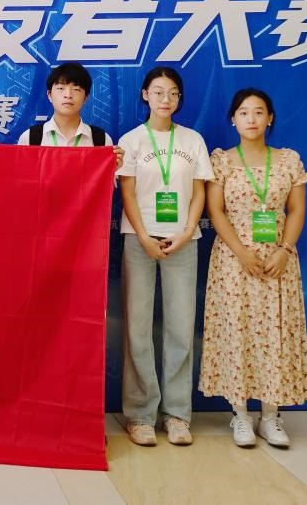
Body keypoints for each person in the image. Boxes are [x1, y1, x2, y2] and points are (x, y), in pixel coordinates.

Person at [199, 88, 307, 449]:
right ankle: (241, 415)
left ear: (270, 118)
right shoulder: (222, 161)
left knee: (275, 332)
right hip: (234, 261)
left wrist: (284, 250)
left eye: (259, 112)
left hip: (278, 259)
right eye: (244, 112)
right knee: (237, 332)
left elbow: (296, 210)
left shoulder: (288, 160)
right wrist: (241, 252)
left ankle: (271, 416)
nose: (251, 119)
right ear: (233, 119)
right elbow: (215, 211)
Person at [116, 67, 213, 447]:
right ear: (145, 95)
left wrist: (187, 231)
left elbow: (200, 191)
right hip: (138, 240)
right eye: (158, 92)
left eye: (172, 93)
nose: (165, 99)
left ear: (179, 98)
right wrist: (143, 235)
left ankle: (176, 415)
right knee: (137, 328)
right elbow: (127, 192)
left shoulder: (193, 139)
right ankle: (139, 415)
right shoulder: (131, 140)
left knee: (180, 328)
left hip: (183, 242)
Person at [17, 62, 123, 168]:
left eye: (76, 89)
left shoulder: (101, 140)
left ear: (85, 98)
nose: (68, 95)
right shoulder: (30, 138)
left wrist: (113, 168)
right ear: (49, 95)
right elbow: (22, 176)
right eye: (61, 88)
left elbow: (103, 178)